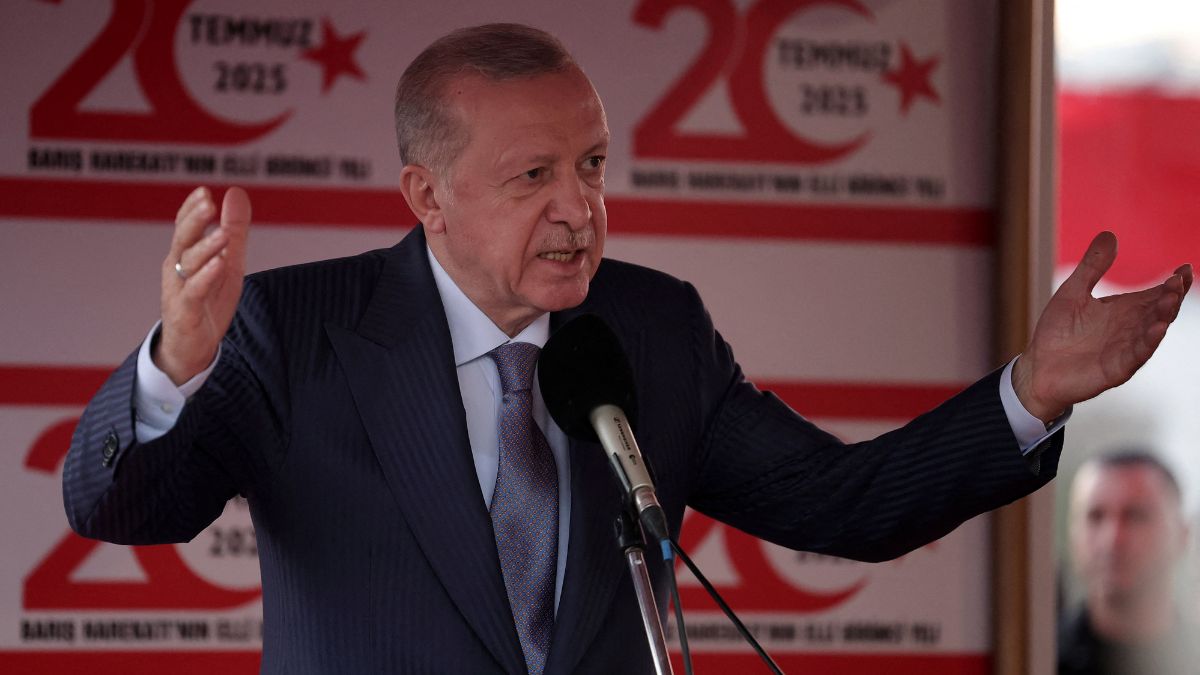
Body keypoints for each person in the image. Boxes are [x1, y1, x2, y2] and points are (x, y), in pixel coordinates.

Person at [62, 24, 1192, 675]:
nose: (580, 209)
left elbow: (843, 503)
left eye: (593, 165)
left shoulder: (653, 330)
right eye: (534, 176)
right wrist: (175, 365)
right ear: (427, 195)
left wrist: (1033, 392)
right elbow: (121, 508)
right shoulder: (294, 329)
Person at [1058, 451, 1196, 674]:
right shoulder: (1033, 659)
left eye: (1135, 516)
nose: (1112, 540)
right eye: (1095, 516)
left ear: (1182, 535)